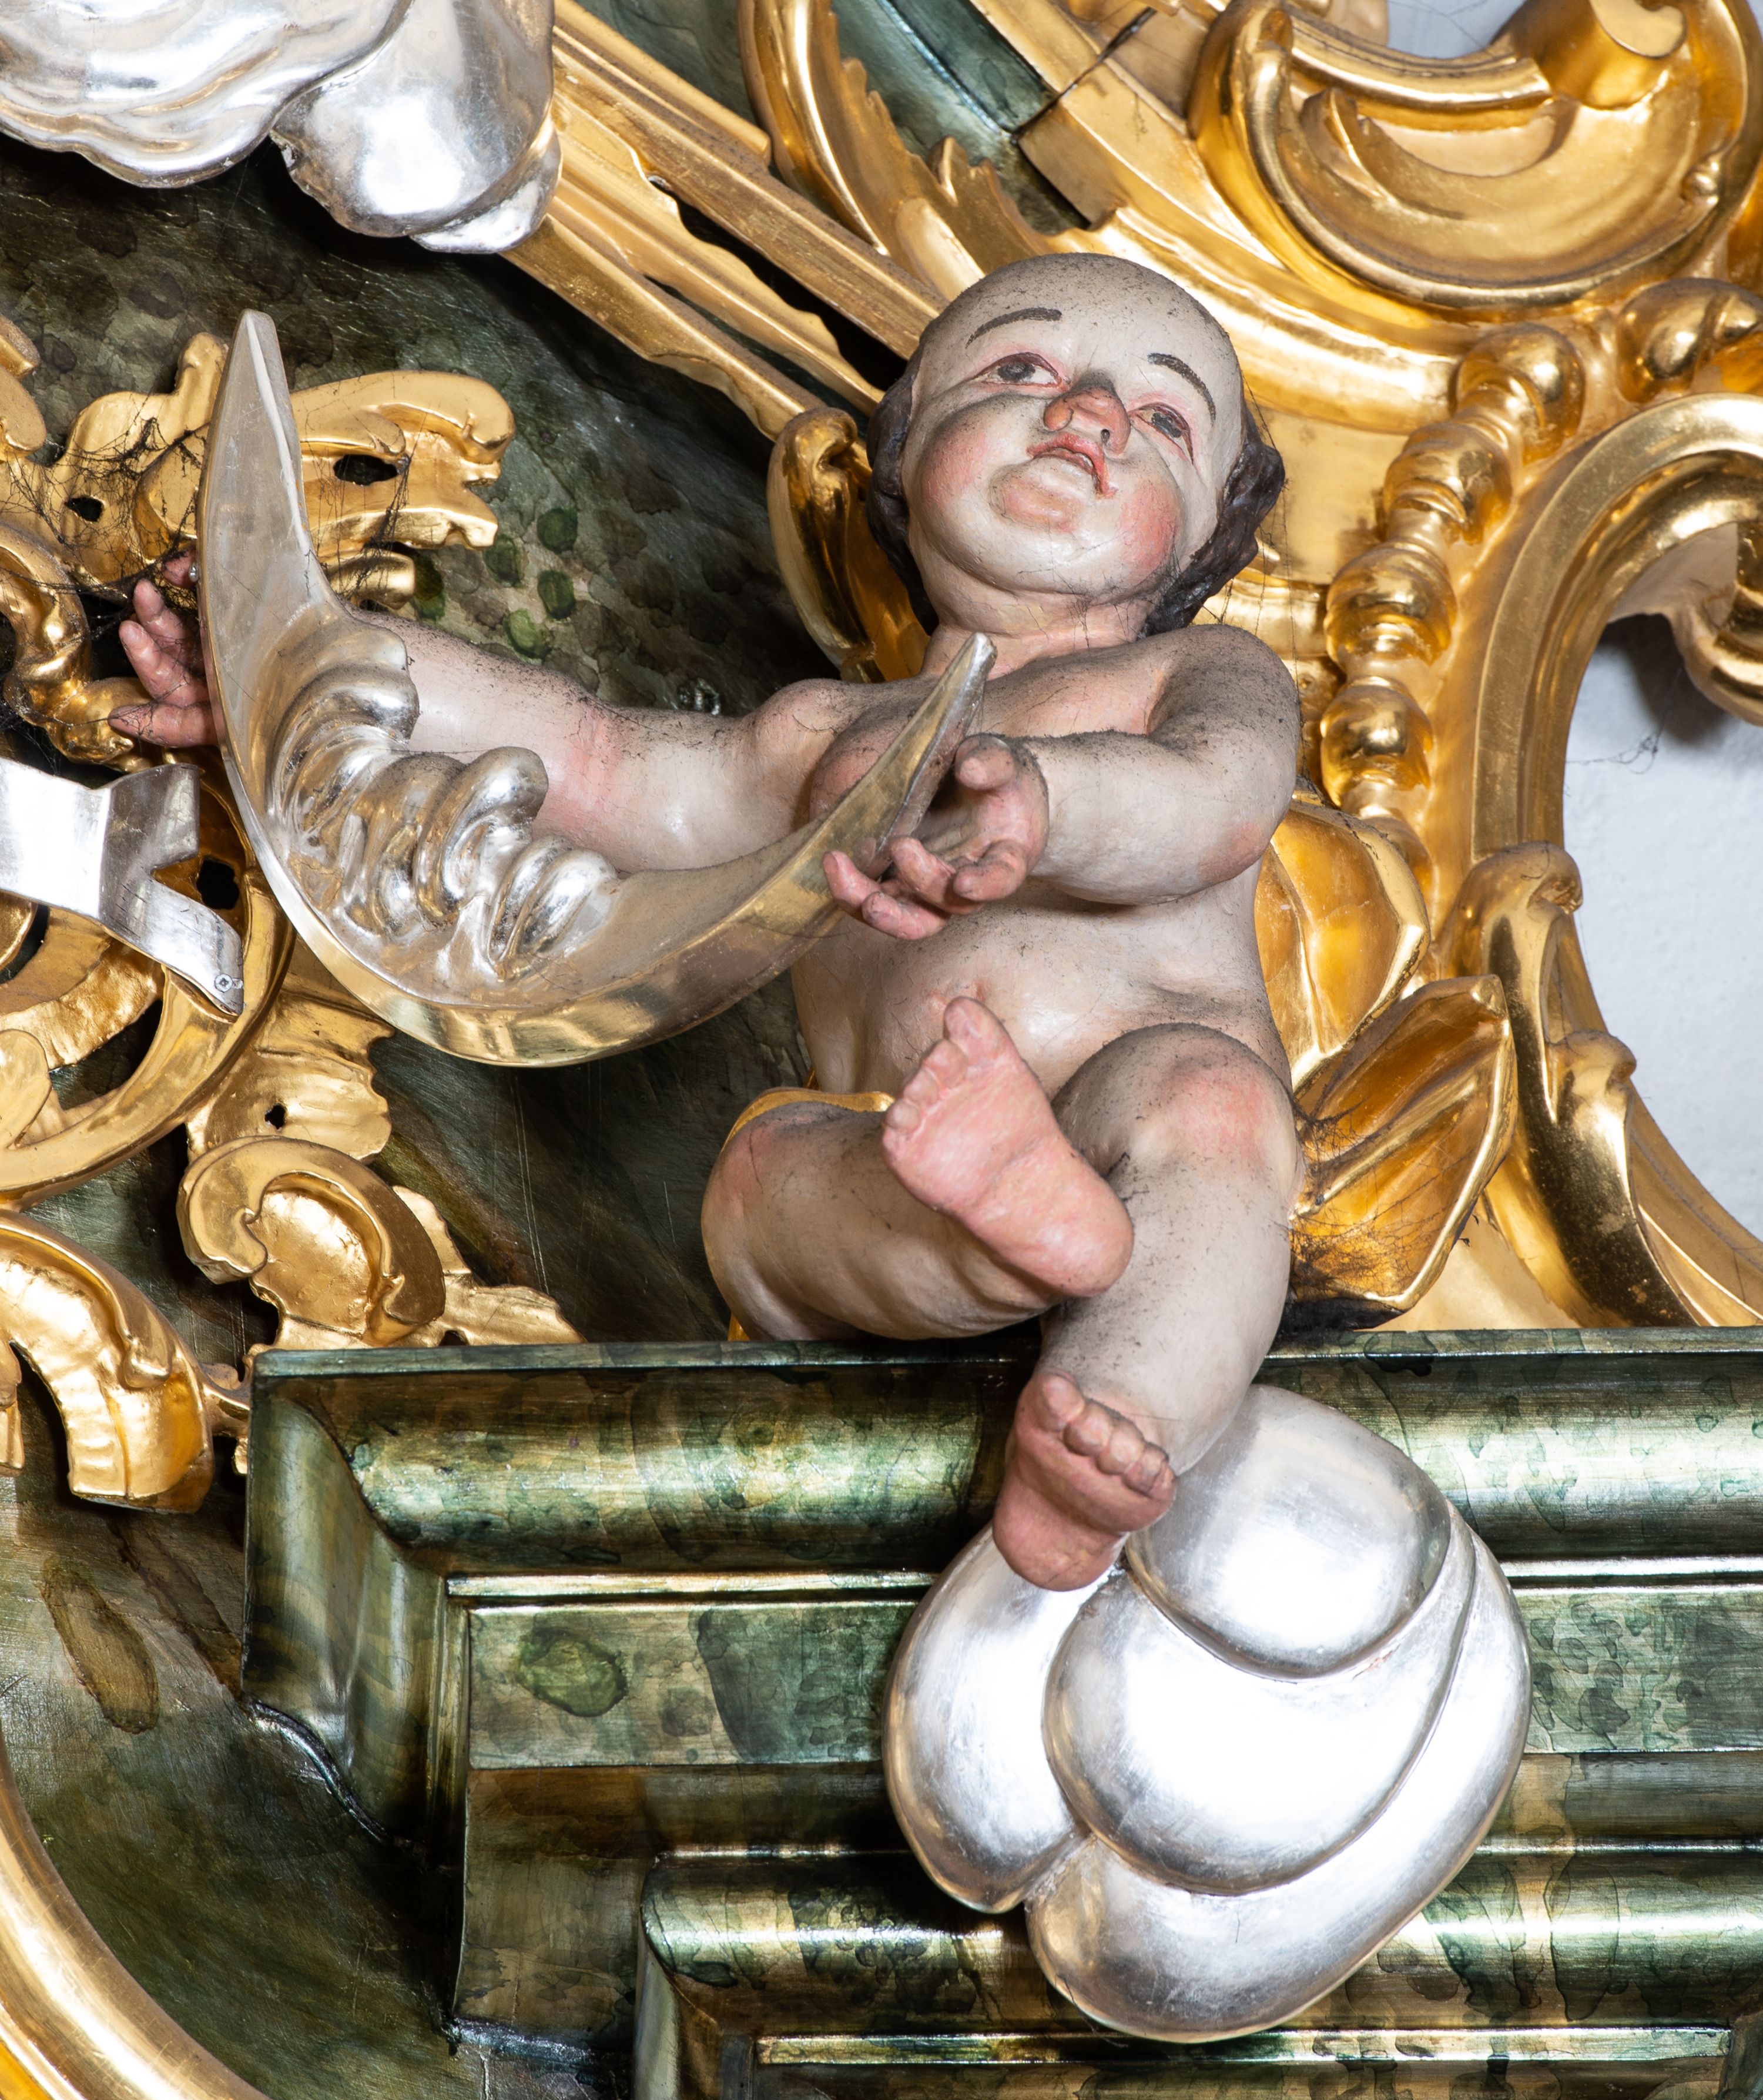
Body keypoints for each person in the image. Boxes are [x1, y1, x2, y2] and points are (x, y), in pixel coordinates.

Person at [115, 253, 1301, 1593]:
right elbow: (592, 757)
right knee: (759, 1177)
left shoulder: (1198, 673)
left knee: (1214, 1111)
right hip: (897, 1174)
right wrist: (298, 679)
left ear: (1205, 539)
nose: (1086, 415)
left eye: (1162, 418)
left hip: (1143, 1125)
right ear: (907, 449)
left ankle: (1113, 1427)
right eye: (1021, 369)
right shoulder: (822, 736)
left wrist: (1042, 803)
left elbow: (1218, 796)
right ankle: (1012, 1224)